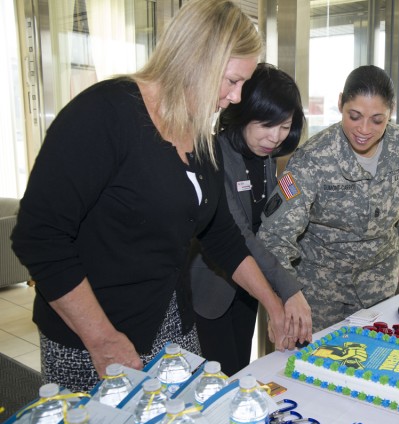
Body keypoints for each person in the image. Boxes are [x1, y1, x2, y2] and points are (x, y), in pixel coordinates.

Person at [11, 0, 304, 393]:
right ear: (195, 60)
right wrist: (101, 338)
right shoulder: (105, 113)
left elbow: (222, 237)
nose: (236, 98)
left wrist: (272, 302)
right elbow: (39, 236)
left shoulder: (201, 136)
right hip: (94, 334)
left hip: (171, 325)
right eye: (232, 81)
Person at [258, 65, 399, 331]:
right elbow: (275, 236)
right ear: (340, 103)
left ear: (391, 112)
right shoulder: (313, 158)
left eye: (377, 120)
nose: (364, 129)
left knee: (375, 363)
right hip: (319, 290)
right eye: (355, 116)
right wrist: (285, 295)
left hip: (379, 284)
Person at [188, 63, 311, 375]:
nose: (274, 137)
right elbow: (239, 233)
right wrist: (288, 289)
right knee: (217, 378)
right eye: (266, 125)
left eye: (284, 127)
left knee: (241, 369)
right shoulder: (213, 154)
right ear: (243, 113)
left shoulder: (266, 158)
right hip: (210, 292)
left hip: (247, 289)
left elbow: (267, 222)